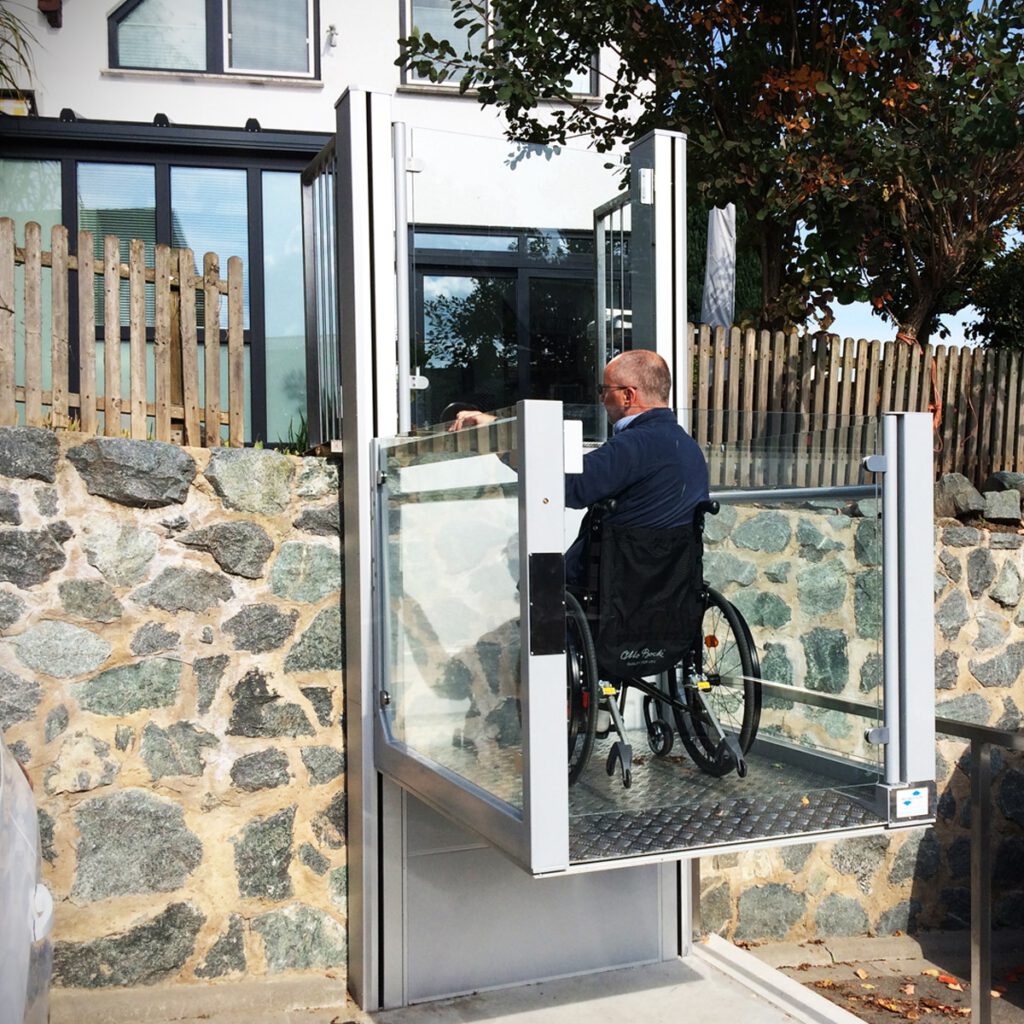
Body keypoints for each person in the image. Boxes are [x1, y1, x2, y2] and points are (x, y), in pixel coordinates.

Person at [447, 349, 709, 585]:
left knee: (535, 582)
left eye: (604, 389)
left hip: (613, 586)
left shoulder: (633, 445)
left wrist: (502, 438)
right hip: (667, 588)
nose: (601, 398)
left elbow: (567, 485)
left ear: (628, 395)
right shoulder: (689, 449)